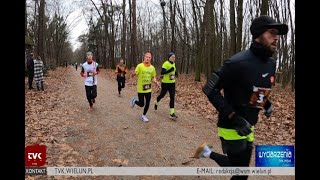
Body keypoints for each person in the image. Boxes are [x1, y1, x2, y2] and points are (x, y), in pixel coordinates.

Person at [194, 15, 288, 180]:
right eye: (272, 32)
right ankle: (207, 153)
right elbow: (209, 89)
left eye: (278, 34)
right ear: (259, 34)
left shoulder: (271, 64)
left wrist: (266, 104)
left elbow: (254, 89)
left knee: (240, 170)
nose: (277, 37)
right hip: (231, 125)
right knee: (240, 173)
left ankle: (206, 152)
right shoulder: (236, 63)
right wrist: (235, 118)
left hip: (250, 125)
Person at [130, 52, 160, 122]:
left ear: (150, 59)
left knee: (148, 103)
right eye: (146, 57)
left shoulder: (152, 68)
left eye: (149, 57)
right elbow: (135, 72)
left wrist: (156, 82)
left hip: (148, 89)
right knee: (141, 104)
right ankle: (134, 101)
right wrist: (133, 74)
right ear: (144, 57)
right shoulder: (140, 66)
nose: (147, 58)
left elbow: (153, 77)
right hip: (141, 88)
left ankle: (143, 115)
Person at [154, 52, 178, 120]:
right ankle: (156, 102)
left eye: (174, 57)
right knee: (162, 95)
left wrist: (176, 73)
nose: (174, 58)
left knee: (172, 97)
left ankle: (172, 113)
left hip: (172, 83)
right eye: (173, 57)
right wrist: (170, 70)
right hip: (165, 83)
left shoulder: (174, 64)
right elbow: (162, 73)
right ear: (169, 57)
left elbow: (174, 70)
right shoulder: (165, 63)